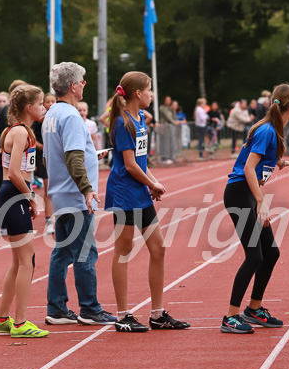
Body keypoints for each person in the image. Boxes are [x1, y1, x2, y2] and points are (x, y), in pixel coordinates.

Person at [105, 72, 190, 332]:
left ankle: (157, 313)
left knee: (158, 248)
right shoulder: (122, 122)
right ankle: (122, 316)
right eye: (150, 90)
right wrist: (151, 183)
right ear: (138, 93)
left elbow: (141, 162)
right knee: (124, 249)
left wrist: (152, 182)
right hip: (124, 193)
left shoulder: (140, 118)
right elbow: (129, 165)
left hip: (139, 192)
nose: (152, 94)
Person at [42, 62, 117, 326]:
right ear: (73, 86)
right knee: (85, 254)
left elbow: (57, 156)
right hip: (75, 196)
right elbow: (73, 157)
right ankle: (90, 308)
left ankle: (57, 307)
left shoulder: (51, 114)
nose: (84, 84)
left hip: (59, 194)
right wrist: (86, 188)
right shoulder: (72, 116)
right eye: (82, 81)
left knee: (61, 253)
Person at [220, 84, 289, 334]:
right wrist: (262, 203)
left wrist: (282, 163)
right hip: (240, 194)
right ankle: (230, 316)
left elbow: (262, 158)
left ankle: (253, 309)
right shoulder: (267, 130)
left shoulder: (272, 128)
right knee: (255, 256)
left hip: (247, 195)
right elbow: (248, 168)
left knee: (271, 253)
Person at [0, 84, 48, 338]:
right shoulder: (21, 133)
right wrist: (31, 197)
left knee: (18, 262)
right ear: (29, 108)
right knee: (27, 261)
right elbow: (14, 172)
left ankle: (2, 318)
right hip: (14, 194)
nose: (44, 107)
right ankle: (20, 323)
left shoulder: (16, 131)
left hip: (13, 194)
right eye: (41, 104)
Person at [30, 93, 57, 234]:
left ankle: (59, 217)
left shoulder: (58, 118)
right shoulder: (37, 121)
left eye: (53, 101)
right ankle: (49, 221)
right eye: (47, 101)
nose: (50, 103)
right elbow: (32, 139)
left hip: (56, 156)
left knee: (57, 189)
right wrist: (43, 147)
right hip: (42, 157)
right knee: (48, 188)